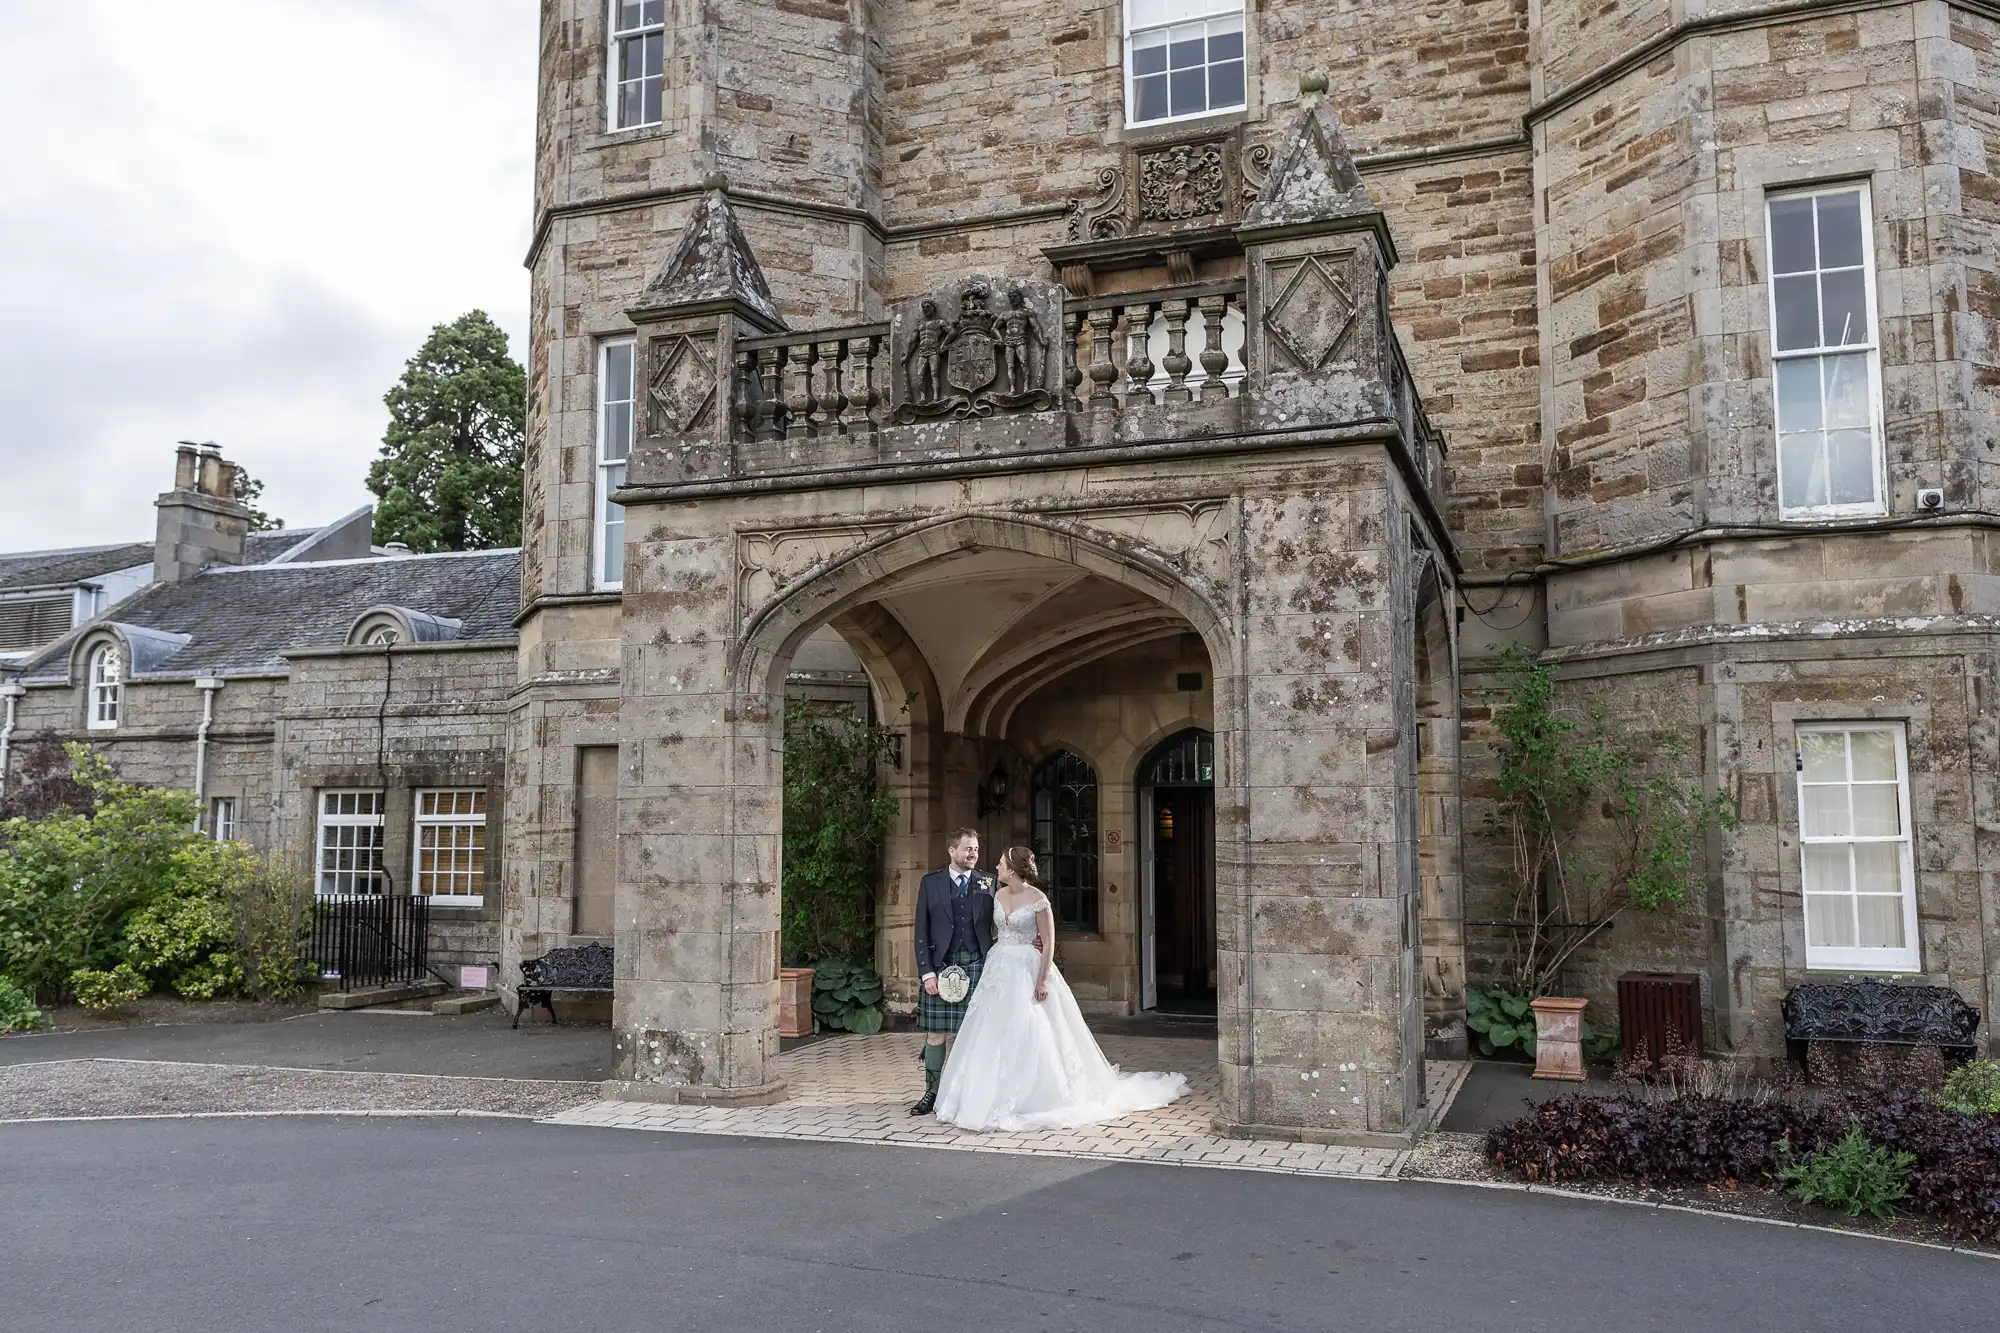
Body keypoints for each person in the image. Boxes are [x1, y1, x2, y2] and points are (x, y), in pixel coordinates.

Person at [935, 846, 1190, 1132]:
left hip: (1028, 968)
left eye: (1001, 864)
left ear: (1014, 870)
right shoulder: (998, 894)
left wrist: (1042, 979)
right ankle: (980, 1096)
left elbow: (1049, 941)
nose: (996, 867)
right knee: (990, 1029)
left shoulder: (1039, 900)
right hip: (999, 966)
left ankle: (1038, 1096)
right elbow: (995, 930)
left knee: (1032, 1026)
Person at [909, 828, 995, 1116]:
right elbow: (920, 931)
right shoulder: (930, 883)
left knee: (974, 1035)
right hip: (942, 967)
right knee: (935, 1034)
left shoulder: (988, 882)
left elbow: (1005, 918)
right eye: (968, 849)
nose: (973, 854)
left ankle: (966, 1095)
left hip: (978, 966)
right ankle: (931, 1094)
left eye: (976, 850)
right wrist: (927, 973)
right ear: (952, 851)